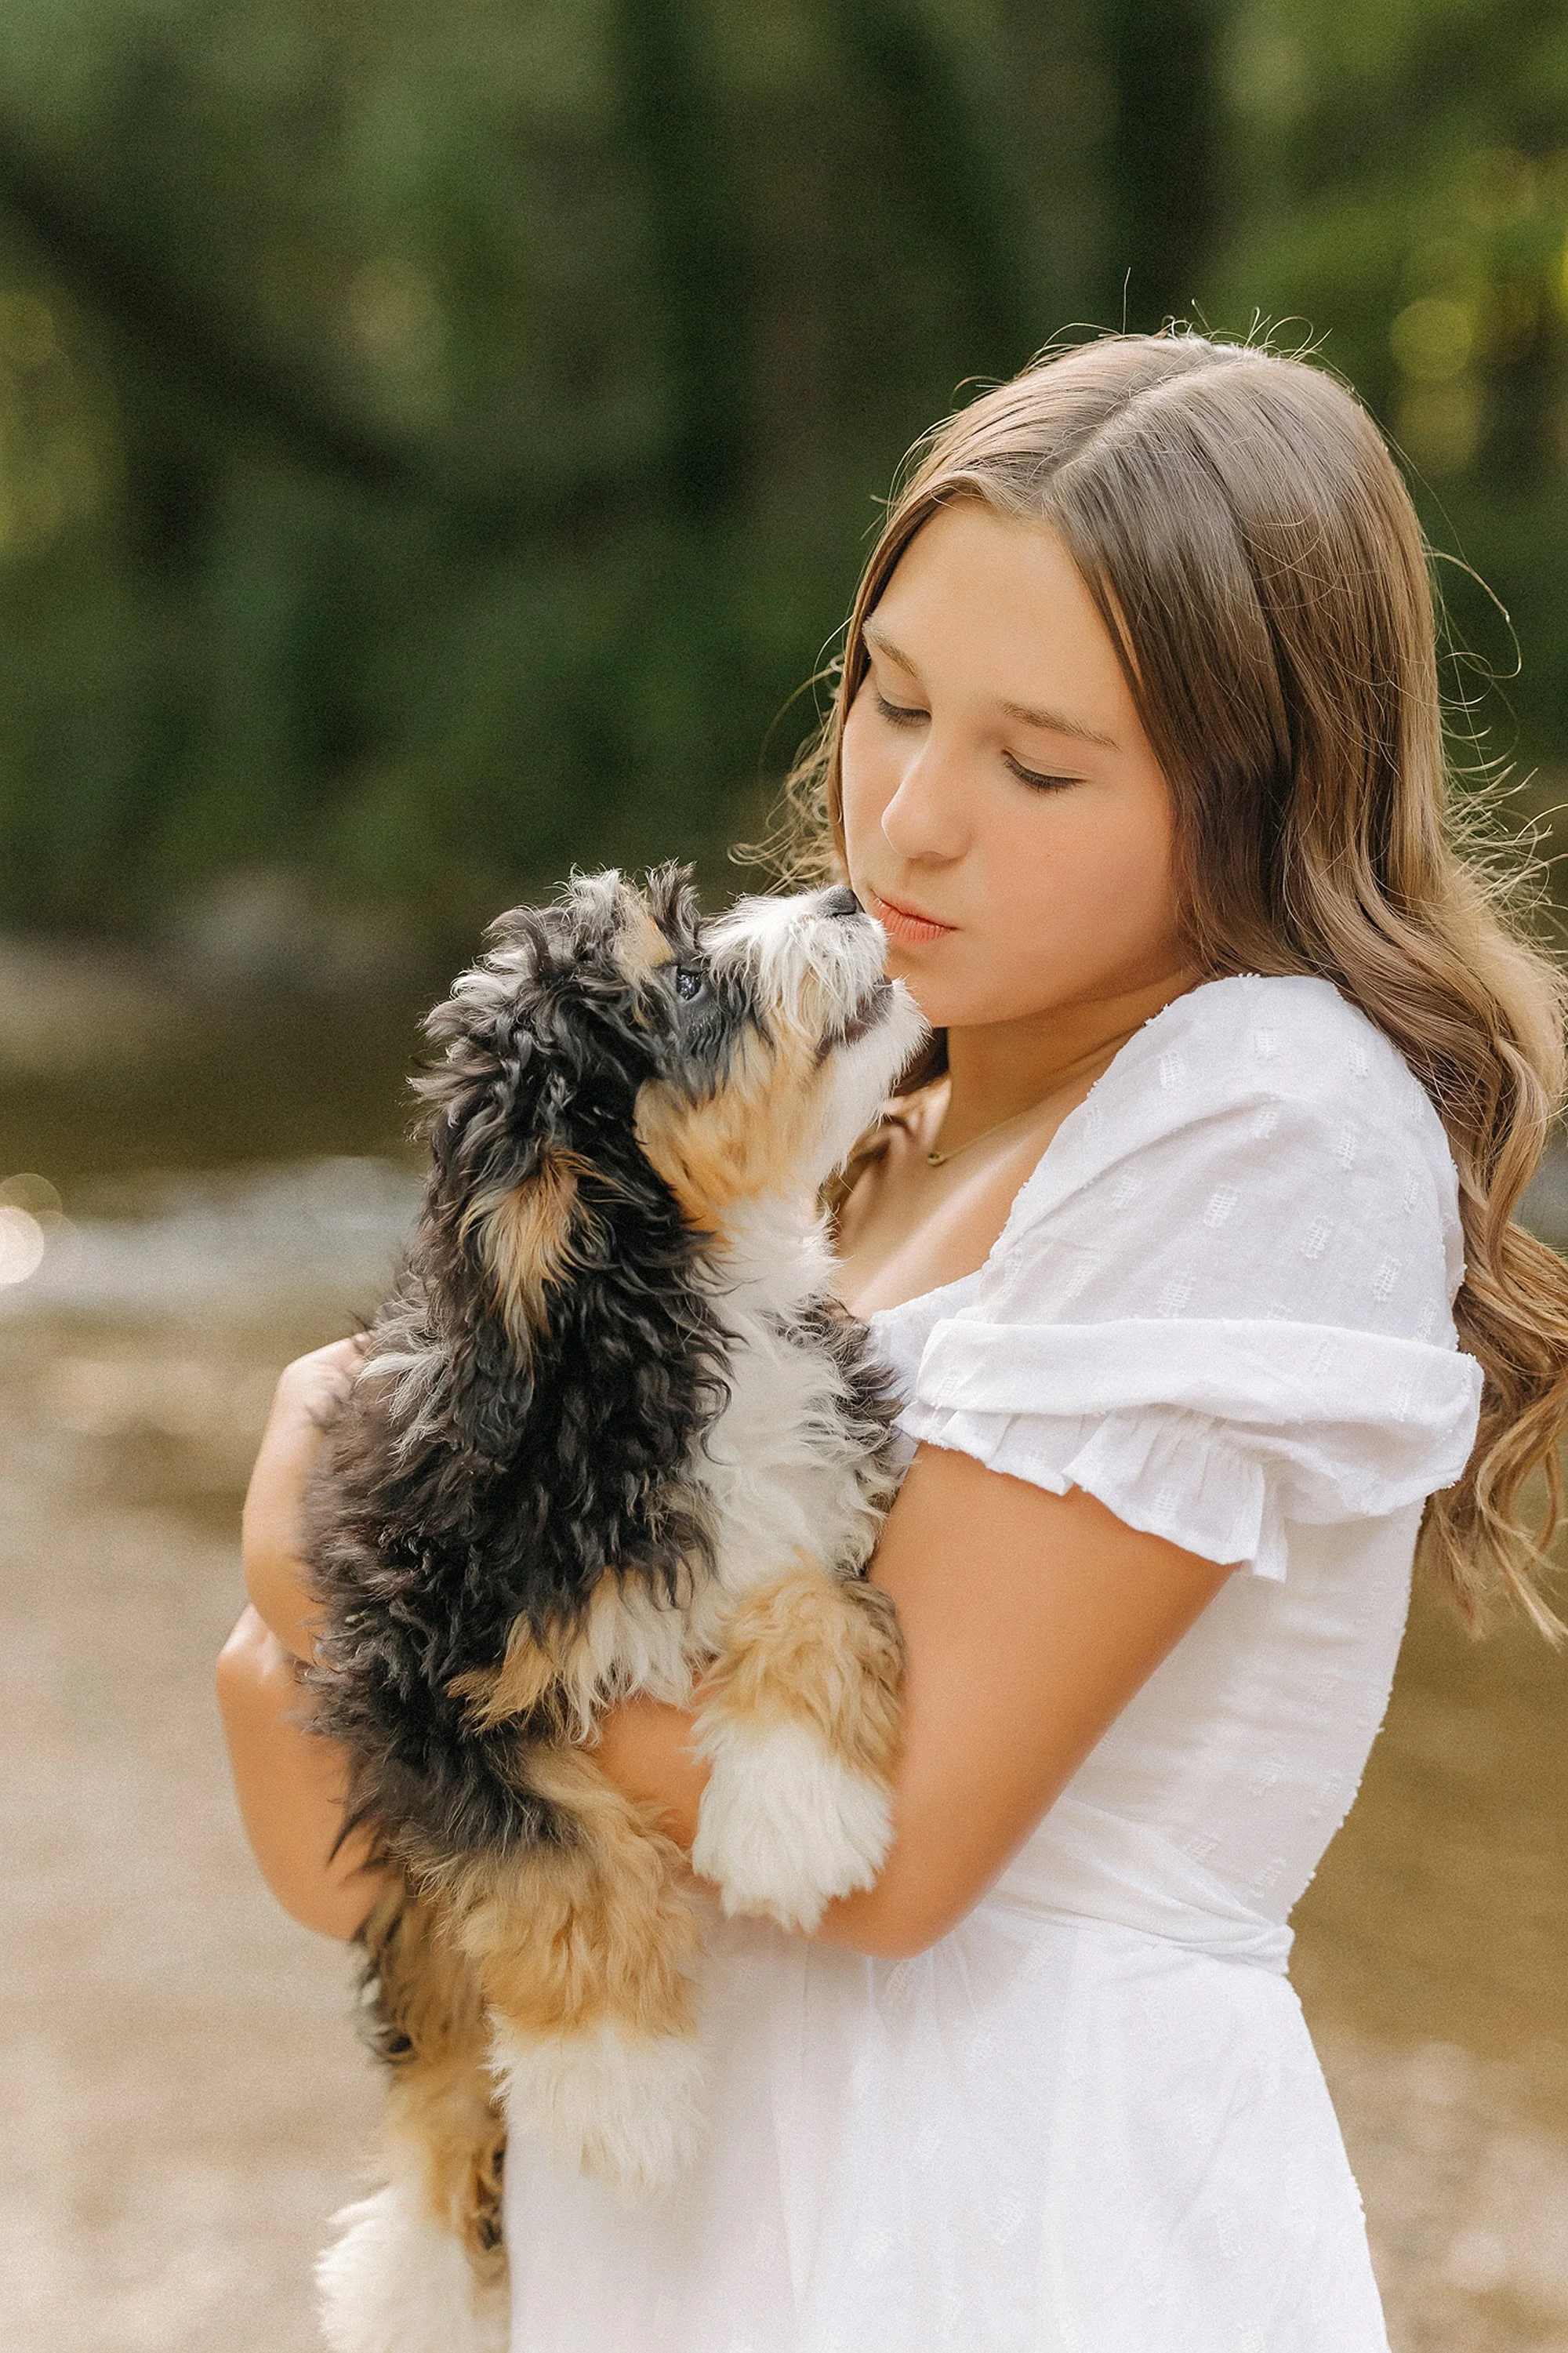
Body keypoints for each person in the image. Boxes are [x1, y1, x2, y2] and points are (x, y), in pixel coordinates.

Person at [220, 331, 1568, 2352]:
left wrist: (339, 1575)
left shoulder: (1260, 1110)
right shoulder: (826, 1118)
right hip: (665, 2248)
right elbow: (338, 1867)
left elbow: (895, 1848)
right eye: (893, 698)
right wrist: (346, 1621)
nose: (911, 822)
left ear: (1254, 791)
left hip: (1006, 2231)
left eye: (1038, 764)